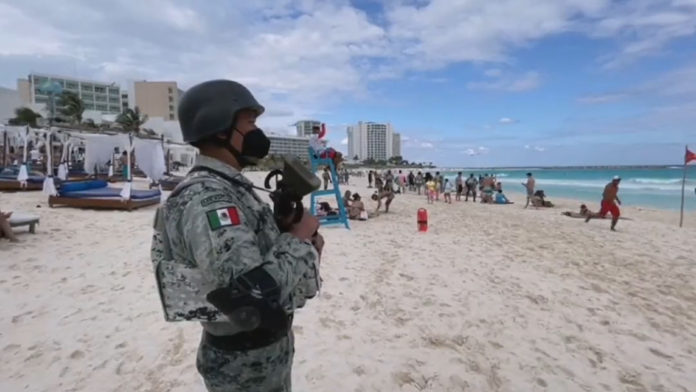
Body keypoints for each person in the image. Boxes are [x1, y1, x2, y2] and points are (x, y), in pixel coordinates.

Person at [150, 80, 323, 392]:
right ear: (220, 129)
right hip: (244, 367)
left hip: (263, 356)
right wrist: (298, 237)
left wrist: (284, 230)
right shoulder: (209, 199)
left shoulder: (229, 188)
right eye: (251, 123)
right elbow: (249, 301)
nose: (258, 133)